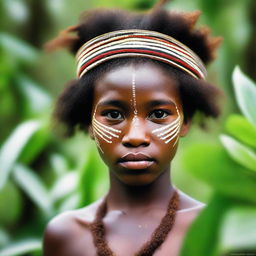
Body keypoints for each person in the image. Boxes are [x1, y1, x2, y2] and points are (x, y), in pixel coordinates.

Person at [43, 0, 222, 255]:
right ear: (88, 121)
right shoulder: (65, 235)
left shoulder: (217, 231)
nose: (135, 136)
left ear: (186, 120)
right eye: (113, 114)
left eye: (159, 114)